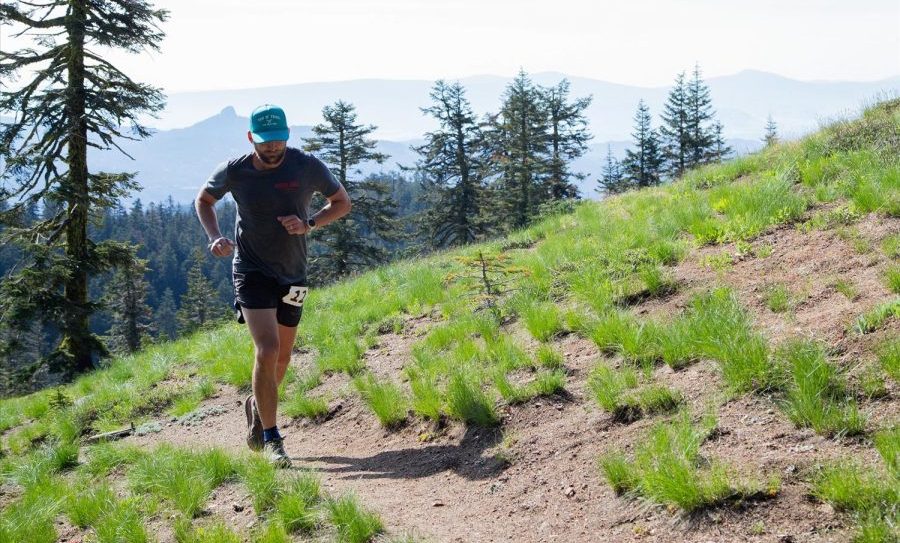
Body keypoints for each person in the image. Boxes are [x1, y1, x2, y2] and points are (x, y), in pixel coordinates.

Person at [195, 104, 351, 467]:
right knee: (267, 349)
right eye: (265, 142)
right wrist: (214, 236)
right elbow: (204, 199)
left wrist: (310, 223)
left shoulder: (306, 165)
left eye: (278, 140)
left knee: (282, 357)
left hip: (293, 272)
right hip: (250, 268)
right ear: (251, 138)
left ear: (287, 135)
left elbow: (342, 203)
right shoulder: (235, 170)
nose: (272, 148)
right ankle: (272, 438)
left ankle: (256, 404)